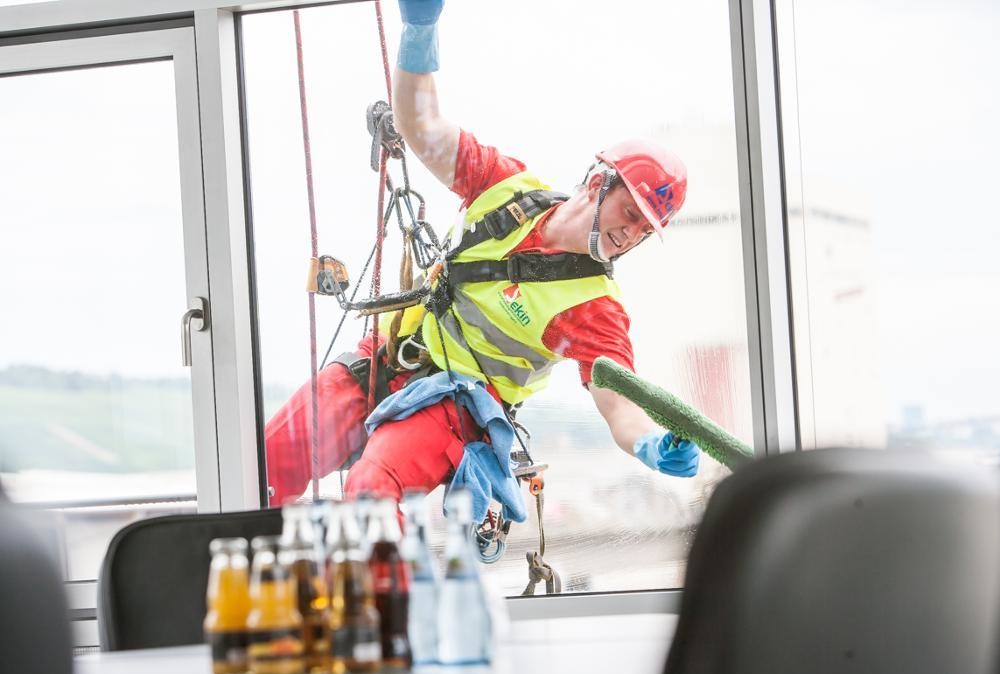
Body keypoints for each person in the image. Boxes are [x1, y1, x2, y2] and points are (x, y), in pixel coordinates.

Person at [264, 0, 701, 509]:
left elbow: (617, 400)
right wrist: (419, 29)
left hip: (456, 404)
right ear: (600, 182)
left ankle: (385, 589)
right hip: (388, 359)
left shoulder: (595, 308)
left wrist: (645, 442)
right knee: (270, 458)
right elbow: (419, 123)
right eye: (630, 213)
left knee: (371, 489)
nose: (630, 235)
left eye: (645, 230)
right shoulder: (505, 187)